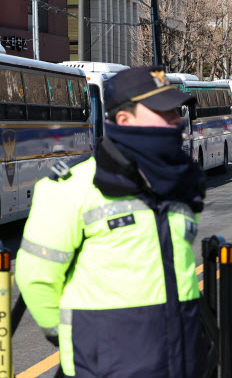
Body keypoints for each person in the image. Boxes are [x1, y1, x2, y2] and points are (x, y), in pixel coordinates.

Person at [16, 66, 206, 378]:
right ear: (123, 119)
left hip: (181, 362)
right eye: (163, 110)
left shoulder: (182, 182)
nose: (176, 119)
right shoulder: (71, 187)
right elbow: (35, 277)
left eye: (177, 110)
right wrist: (73, 339)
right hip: (104, 367)